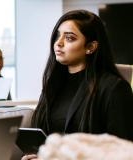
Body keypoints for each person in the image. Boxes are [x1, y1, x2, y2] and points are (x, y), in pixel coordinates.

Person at [23, 9, 133, 160]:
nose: (58, 43)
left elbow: (125, 152)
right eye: (57, 36)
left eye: (69, 38)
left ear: (91, 47)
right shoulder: (52, 87)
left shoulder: (114, 89)